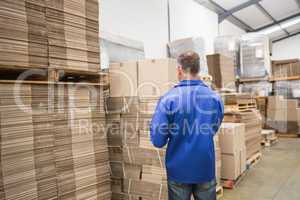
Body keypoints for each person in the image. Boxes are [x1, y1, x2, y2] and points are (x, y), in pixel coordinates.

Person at [150, 51, 224, 200]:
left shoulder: (168, 99)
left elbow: (158, 141)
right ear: (198, 69)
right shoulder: (214, 98)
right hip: (205, 167)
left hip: (179, 170)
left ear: (179, 70)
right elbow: (213, 128)